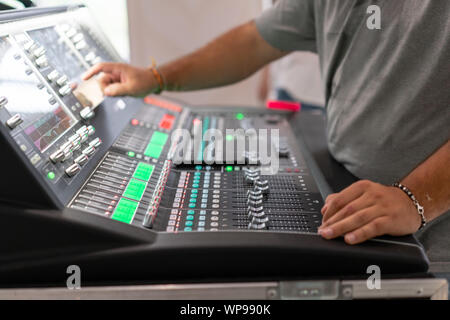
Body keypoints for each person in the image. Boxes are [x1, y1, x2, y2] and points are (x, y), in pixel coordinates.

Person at [84, 0, 450, 246]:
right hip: (349, 198)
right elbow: (257, 39)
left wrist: (414, 199)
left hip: (428, 239)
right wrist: (156, 77)